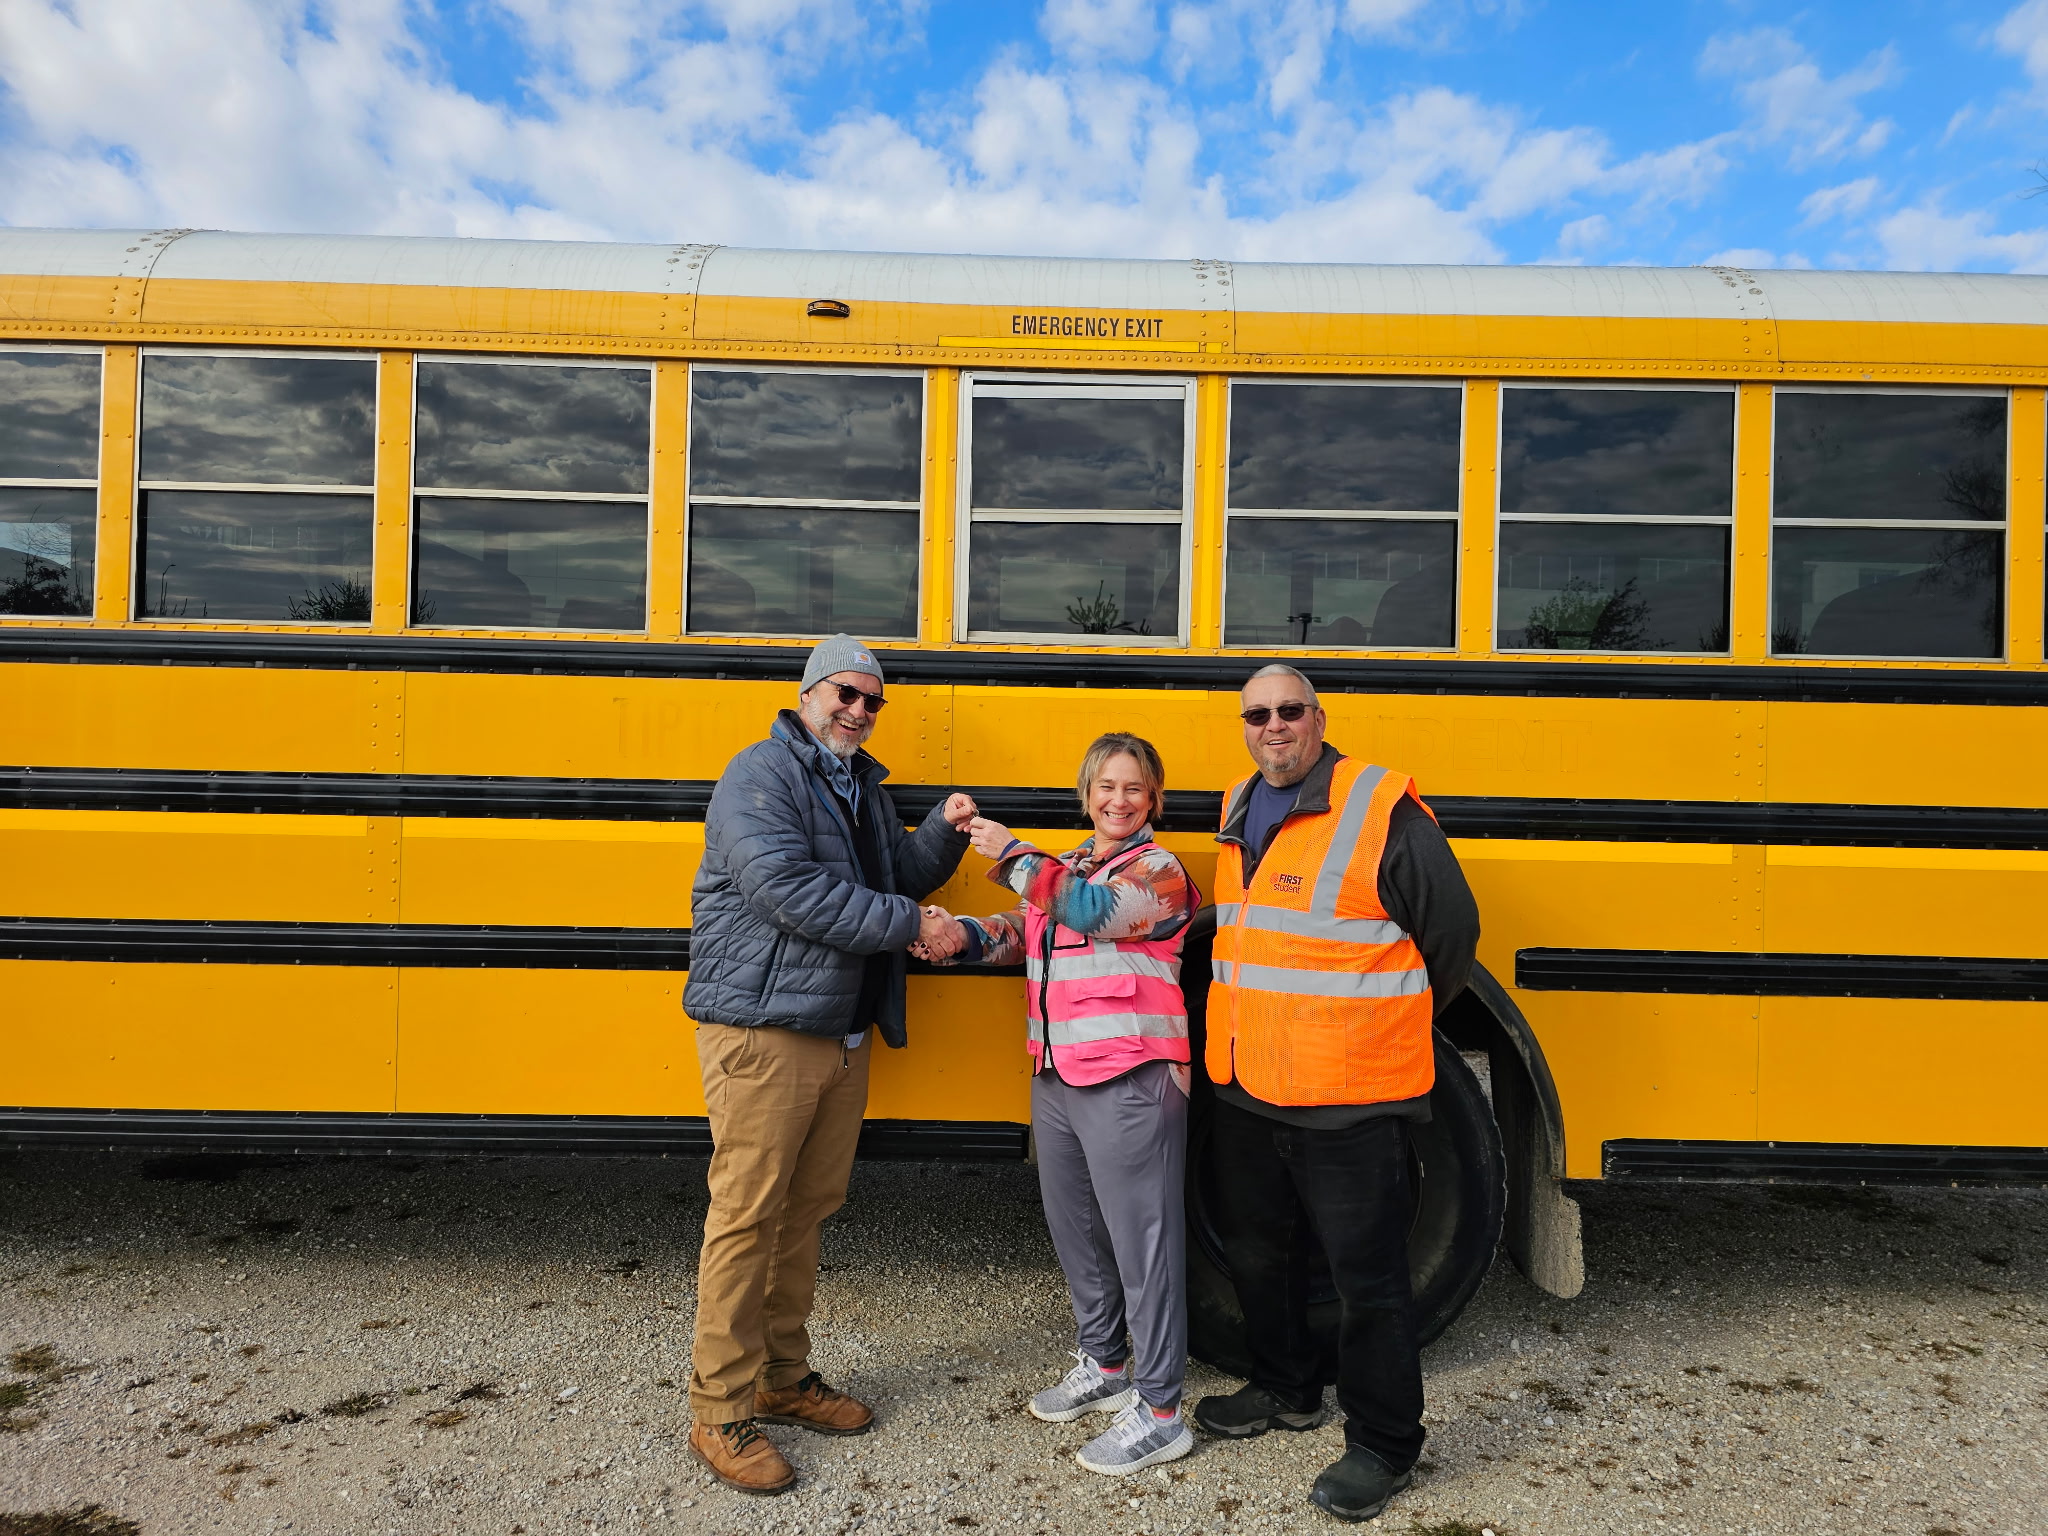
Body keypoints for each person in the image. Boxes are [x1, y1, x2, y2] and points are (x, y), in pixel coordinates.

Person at [683, 633, 976, 1495]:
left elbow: (892, 876)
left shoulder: (858, 786)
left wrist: (942, 836)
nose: (856, 709)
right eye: (843, 693)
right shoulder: (760, 775)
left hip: (838, 1031)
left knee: (805, 1210)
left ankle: (780, 1377)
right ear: (808, 694)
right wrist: (912, 923)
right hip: (766, 1028)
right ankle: (718, 1410)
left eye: (871, 700)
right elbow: (789, 890)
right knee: (746, 1215)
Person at [1193, 664, 1480, 1525]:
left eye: (1289, 711)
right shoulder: (1242, 802)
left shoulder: (1378, 807)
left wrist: (1373, 1028)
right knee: (1258, 1250)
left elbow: (1450, 931)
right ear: (1243, 726)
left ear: (1317, 719)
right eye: (1257, 714)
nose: (1273, 726)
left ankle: (1386, 1442)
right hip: (1250, 1085)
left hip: (1350, 1098)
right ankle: (1286, 1388)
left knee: (1370, 1280)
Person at [920, 732, 1201, 1476]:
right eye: (1105, 787)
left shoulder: (1161, 872)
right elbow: (1028, 933)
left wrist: (1012, 855)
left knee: (1146, 1246)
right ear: (1086, 797)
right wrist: (964, 936)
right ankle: (1107, 1365)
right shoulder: (1069, 865)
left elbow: (1092, 913)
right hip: (1058, 1074)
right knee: (1075, 1230)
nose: (1118, 800)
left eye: (1134, 788)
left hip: (1132, 1078)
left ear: (1155, 801)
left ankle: (1163, 1410)